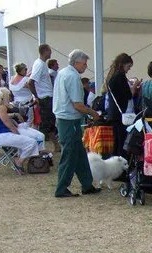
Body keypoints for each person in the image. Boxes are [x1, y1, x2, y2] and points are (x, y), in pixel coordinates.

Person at [52, 49, 101, 198]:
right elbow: (77, 104)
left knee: (79, 154)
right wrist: (94, 113)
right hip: (70, 119)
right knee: (70, 154)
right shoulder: (73, 77)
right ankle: (61, 188)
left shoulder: (62, 73)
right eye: (85, 64)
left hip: (64, 118)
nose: (86, 67)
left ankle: (87, 184)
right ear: (77, 62)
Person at [0, 89, 42, 173]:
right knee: (32, 142)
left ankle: (18, 158)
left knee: (24, 143)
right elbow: (7, 123)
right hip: (2, 136)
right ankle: (19, 162)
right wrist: (16, 133)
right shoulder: (0, 108)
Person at [103, 53, 141, 157]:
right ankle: (121, 168)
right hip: (120, 115)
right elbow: (128, 95)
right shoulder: (120, 77)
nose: (128, 69)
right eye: (128, 66)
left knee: (116, 143)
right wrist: (134, 87)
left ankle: (115, 167)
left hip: (113, 114)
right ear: (122, 64)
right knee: (121, 143)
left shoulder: (112, 76)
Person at [28, 44, 59, 151]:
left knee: (50, 123)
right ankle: (36, 148)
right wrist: (36, 97)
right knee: (45, 125)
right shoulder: (40, 65)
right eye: (50, 51)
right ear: (45, 51)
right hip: (45, 98)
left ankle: (56, 146)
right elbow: (30, 82)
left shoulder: (41, 64)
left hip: (47, 97)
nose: (51, 53)